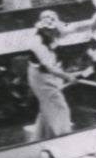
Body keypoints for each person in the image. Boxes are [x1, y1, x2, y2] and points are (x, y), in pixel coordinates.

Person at [27, 10, 82, 140]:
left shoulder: (56, 30)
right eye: (46, 29)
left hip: (50, 74)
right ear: (41, 28)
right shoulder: (36, 43)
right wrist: (68, 76)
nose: (50, 32)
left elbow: (72, 27)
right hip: (39, 77)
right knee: (59, 106)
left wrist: (93, 23)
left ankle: (40, 139)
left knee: (47, 108)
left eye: (52, 29)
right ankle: (64, 138)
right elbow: (50, 68)